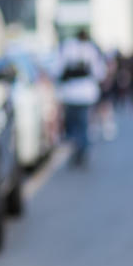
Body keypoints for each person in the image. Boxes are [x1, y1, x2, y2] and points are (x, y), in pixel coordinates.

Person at [56, 28, 105, 166]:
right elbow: (99, 72)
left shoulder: (68, 49)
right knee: (82, 125)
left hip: (71, 93)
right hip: (84, 94)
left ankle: (79, 149)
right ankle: (81, 149)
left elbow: (58, 70)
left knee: (74, 125)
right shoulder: (91, 50)